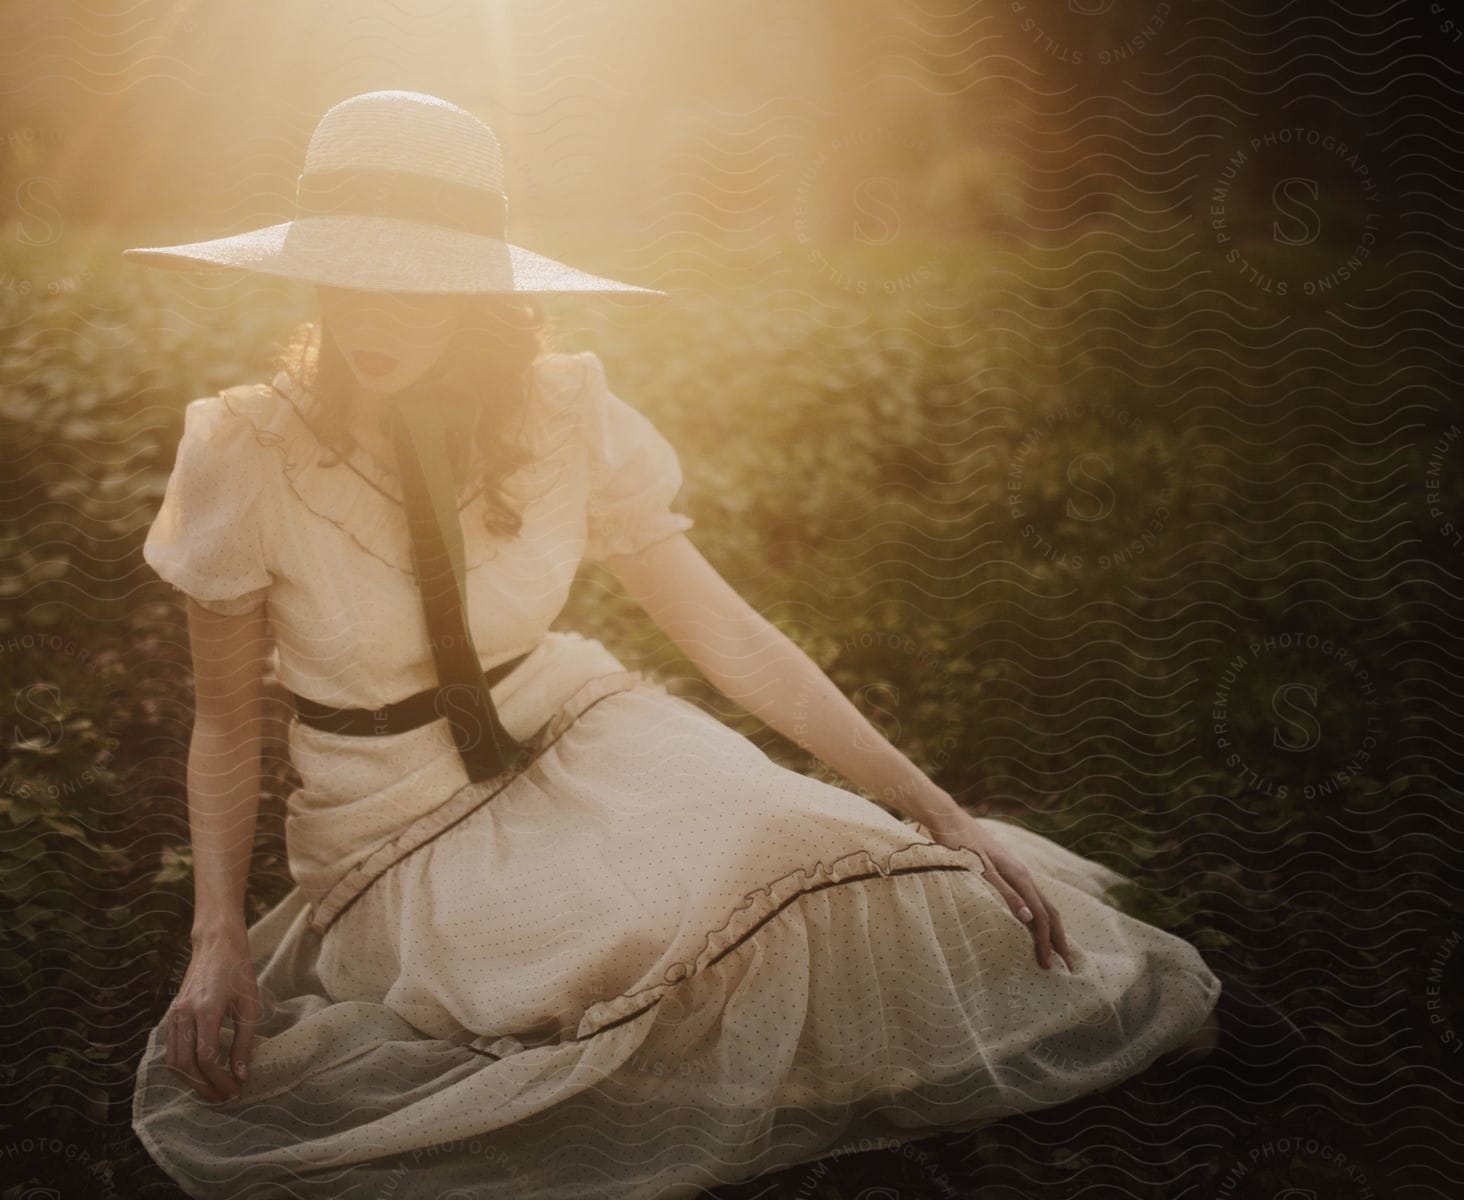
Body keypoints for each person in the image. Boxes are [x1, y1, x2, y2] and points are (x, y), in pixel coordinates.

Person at [123, 89, 1229, 1200]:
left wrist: (934, 811)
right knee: (630, 942)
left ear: (479, 286)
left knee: (786, 835)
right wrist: (213, 934)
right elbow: (225, 721)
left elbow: (725, 630)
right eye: (350, 272)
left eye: (416, 279)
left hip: (573, 721)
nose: (376, 315)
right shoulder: (243, 448)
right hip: (393, 814)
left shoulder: (561, 410)